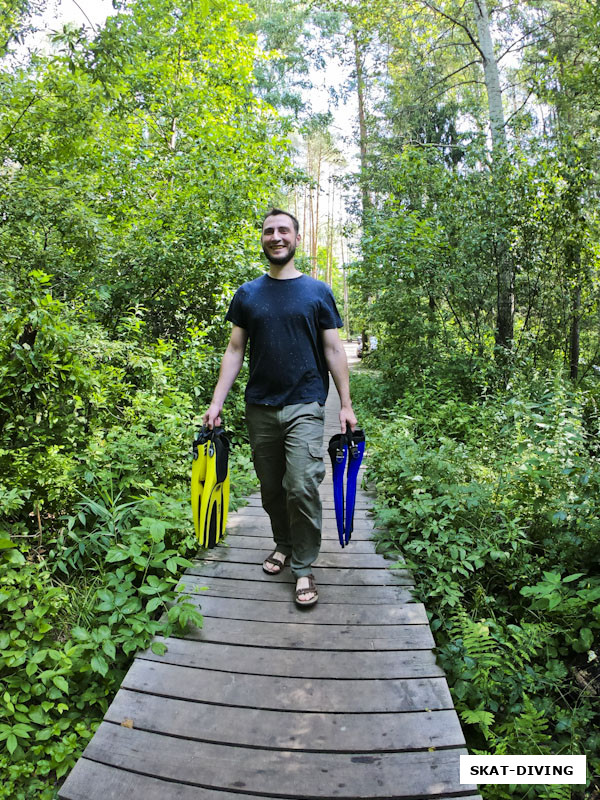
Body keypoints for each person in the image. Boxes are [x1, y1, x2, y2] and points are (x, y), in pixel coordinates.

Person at [203, 208, 357, 607]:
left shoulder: (317, 292)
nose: (276, 237)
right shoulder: (248, 294)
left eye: (283, 230)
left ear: (296, 239)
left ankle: (304, 567)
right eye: (269, 231)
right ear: (263, 239)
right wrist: (217, 402)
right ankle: (283, 543)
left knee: (301, 484)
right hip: (260, 407)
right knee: (272, 489)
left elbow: (333, 349)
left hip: (306, 402)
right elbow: (235, 350)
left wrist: (346, 404)